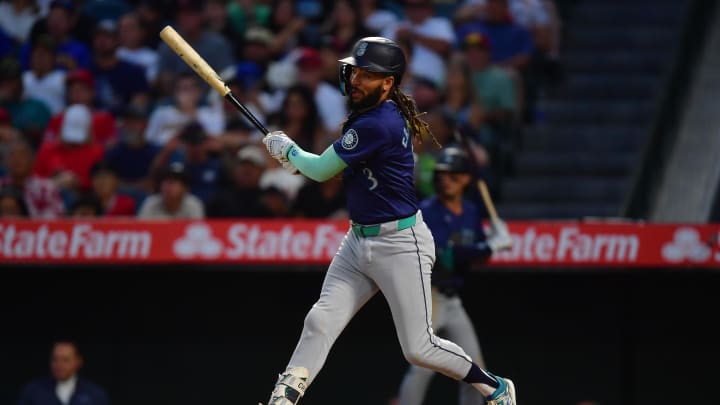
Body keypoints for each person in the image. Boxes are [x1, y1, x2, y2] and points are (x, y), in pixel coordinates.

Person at [260, 36, 516, 405]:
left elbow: (319, 169)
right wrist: (299, 161)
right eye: (356, 71)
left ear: (388, 83)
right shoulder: (370, 117)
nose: (356, 79)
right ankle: (282, 398)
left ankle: (495, 386)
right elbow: (336, 170)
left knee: (419, 348)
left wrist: (288, 150)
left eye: (368, 74)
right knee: (320, 320)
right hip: (358, 239)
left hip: (399, 242)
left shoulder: (377, 123)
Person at [397, 146, 513, 405]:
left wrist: (495, 237)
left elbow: (478, 254)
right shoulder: (428, 210)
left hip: (452, 299)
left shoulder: (471, 212)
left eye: (453, 175)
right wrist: (491, 245)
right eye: (442, 175)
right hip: (430, 295)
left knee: (475, 370)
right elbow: (445, 255)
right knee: (423, 364)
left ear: (466, 179)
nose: (446, 180)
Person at [16, 340, 110, 405]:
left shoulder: (94, 394)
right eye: (55, 359)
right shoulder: (33, 391)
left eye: (65, 360)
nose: (59, 365)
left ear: (78, 362)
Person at [136, 162, 204, 219]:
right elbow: (141, 230)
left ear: (185, 188)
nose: (167, 186)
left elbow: (198, 231)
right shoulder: (151, 203)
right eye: (165, 181)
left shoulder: (193, 204)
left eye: (173, 182)